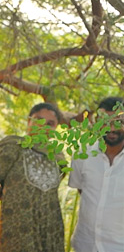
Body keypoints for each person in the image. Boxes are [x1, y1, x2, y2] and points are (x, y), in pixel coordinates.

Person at [0, 102, 65, 252]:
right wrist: (11, 197)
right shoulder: (13, 147)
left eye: (50, 124)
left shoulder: (58, 157)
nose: (43, 126)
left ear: (55, 129)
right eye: (38, 120)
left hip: (50, 229)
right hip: (18, 228)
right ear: (29, 121)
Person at [69, 96, 124, 252]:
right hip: (84, 245)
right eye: (104, 122)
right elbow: (83, 191)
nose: (111, 128)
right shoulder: (82, 154)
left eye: (118, 122)